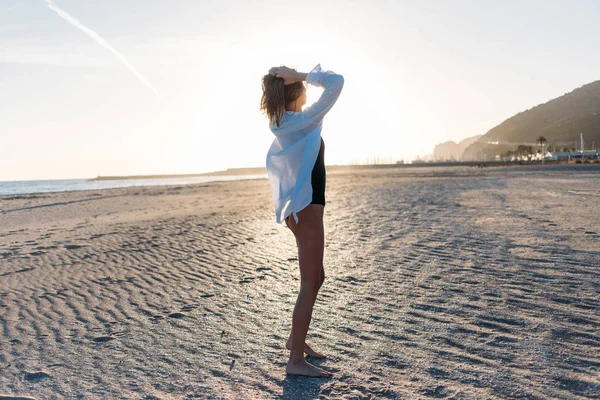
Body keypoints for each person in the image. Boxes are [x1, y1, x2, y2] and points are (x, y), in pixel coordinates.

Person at [260, 64, 344, 377]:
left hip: (304, 208)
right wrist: (301, 74)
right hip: (307, 209)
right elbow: (337, 82)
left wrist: (290, 78)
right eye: (302, 86)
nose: (307, 90)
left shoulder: (283, 121)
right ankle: (295, 361)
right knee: (310, 283)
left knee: (316, 277)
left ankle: (295, 341)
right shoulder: (303, 121)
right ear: (297, 91)